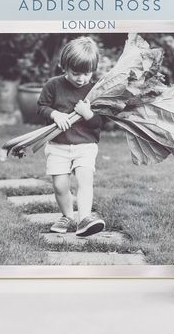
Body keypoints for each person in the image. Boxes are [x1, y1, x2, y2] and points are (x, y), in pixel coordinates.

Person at [37, 36, 105, 237]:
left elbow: (99, 123)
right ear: (63, 66)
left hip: (85, 145)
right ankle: (67, 216)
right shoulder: (53, 85)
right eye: (75, 73)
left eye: (86, 73)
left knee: (85, 180)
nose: (81, 79)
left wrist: (88, 114)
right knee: (60, 185)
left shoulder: (95, 92)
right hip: (58, 145)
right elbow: (41, 108)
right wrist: (54, 114)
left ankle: (84, 219)